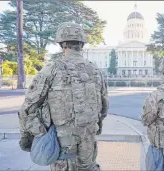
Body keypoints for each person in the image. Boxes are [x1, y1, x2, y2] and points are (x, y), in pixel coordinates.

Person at [18, 22, 109, 171]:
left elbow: (27, 109)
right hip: (89, 144)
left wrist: (36, 135)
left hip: (63, 148)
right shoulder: (96, 70)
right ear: (81, 43)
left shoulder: (52, 69)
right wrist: (95, 127)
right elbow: (104, 107)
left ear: (62, 43)